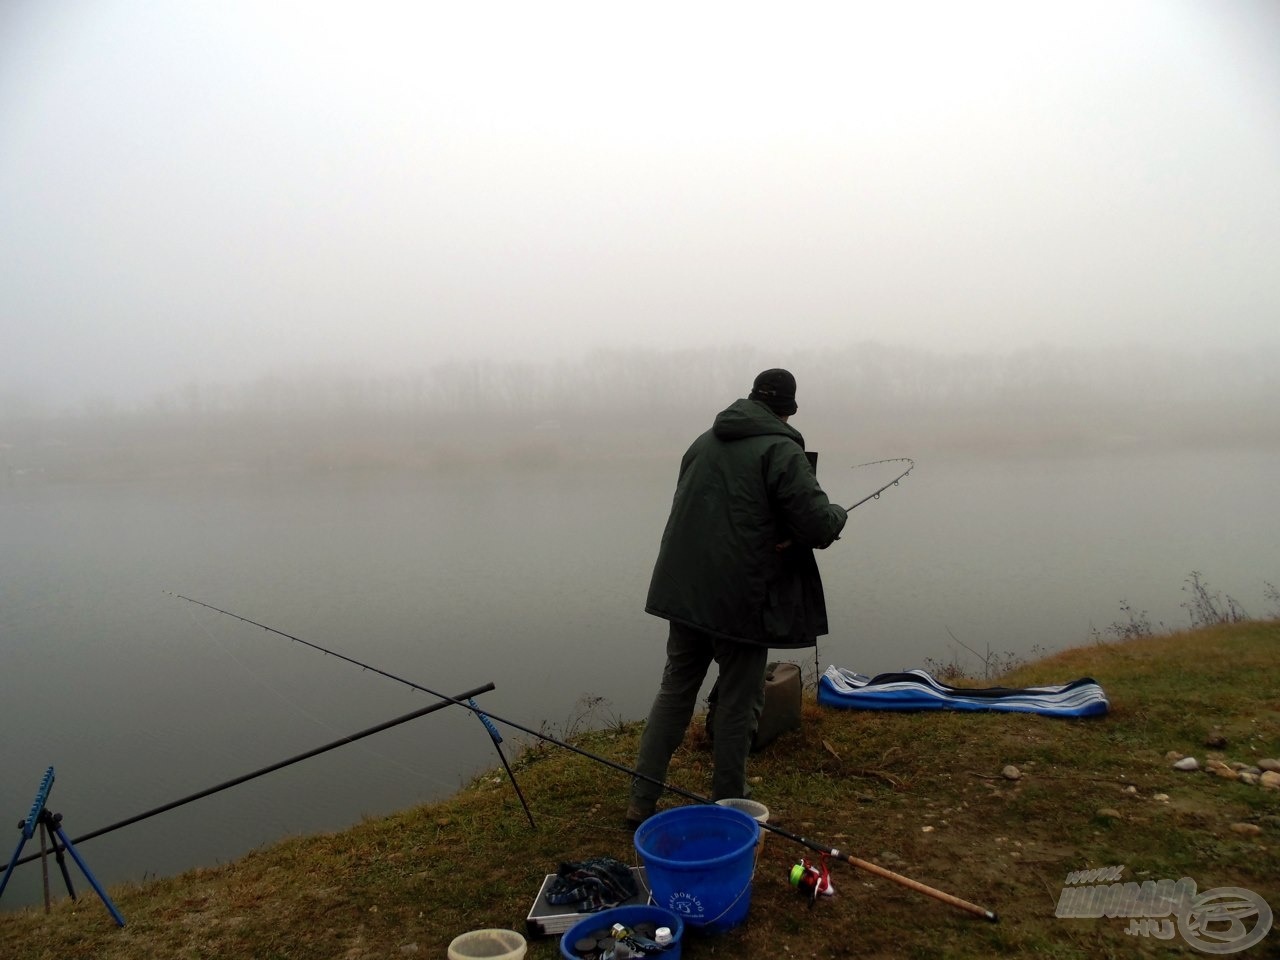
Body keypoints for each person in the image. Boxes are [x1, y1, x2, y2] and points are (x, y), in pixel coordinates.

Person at [627, 368, 848, 825]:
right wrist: (839, 513)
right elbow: (818, 526)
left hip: (685, 591)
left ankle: (640, 800)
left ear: (751, 398)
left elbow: (717, 512)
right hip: (741, 599)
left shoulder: (703, 442)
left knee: (674, 691)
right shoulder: (782, 449)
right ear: (789, 409)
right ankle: (730, 805)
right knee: (738, 703)